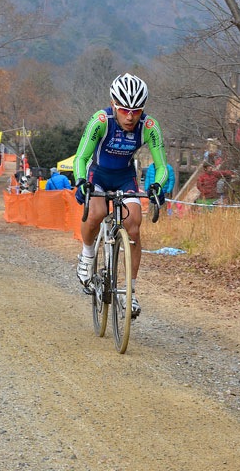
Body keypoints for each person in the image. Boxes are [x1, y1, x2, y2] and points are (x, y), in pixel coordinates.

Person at [73, 73, 167, 319]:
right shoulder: (100, 121)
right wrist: (81, 180)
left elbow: (162, 166)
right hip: (99, 174)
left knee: (134, 225)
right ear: (113, 103)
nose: (129, 116)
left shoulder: (149, 127)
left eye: (136, 111)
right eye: (124, 109)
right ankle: (87, 255)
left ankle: (129, 292)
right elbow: (81, 157)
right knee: (97, 213)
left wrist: (157, 185)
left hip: (126, 176)